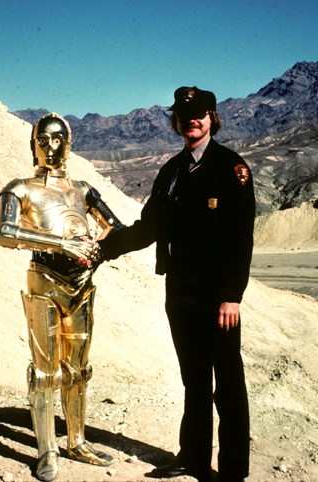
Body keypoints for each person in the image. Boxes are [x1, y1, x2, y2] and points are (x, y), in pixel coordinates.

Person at [97, 86, 255, 482]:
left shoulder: (231, 168)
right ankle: (194, 458)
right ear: (177, 122)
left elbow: (241, 239)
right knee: (195, 379)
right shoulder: (172, 171)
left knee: (228, 382)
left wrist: (231, 297)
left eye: (199, 113)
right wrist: (103, 248)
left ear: (212, 117)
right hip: (180, 293)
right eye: (184, 115)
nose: (192, 120)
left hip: (218, 298)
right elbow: (148, 228)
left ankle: (234, 471)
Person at [0, 113, 123, 481]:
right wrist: (59, 244)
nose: (51, 146)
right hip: (45, 282)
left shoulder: (82, 189)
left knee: (78, 369)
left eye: (59, 139)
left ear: (69, 144)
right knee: (46, 371)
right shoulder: (20, 188)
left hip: (81, 284)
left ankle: (76, 440)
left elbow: (115, 227)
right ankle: (47, 448)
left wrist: (97, 248)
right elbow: (4, 231)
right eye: (44, 140)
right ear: (33, 144)